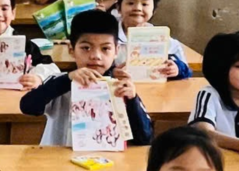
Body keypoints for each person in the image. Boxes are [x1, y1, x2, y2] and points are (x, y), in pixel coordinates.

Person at [17, 8, 152, 145]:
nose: (96, 56)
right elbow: (28, 107)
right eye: (86, 48)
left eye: (105, 48)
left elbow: (144, 138)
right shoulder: (60, 82)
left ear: (116, 51)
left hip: (107, 157)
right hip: (59, 157)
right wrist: (67, 80)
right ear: (71, 49)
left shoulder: (121, 87)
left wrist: (132, 100)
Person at [115, 0, 192, 80]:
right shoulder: (109, 35)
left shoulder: (160, 37)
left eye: (144, 4)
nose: (137, 8)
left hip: (153, 87)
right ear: (118, 7)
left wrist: (177, 69)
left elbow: (186, 70)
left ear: (153, 10)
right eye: (130, 3)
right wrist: (112, 73)